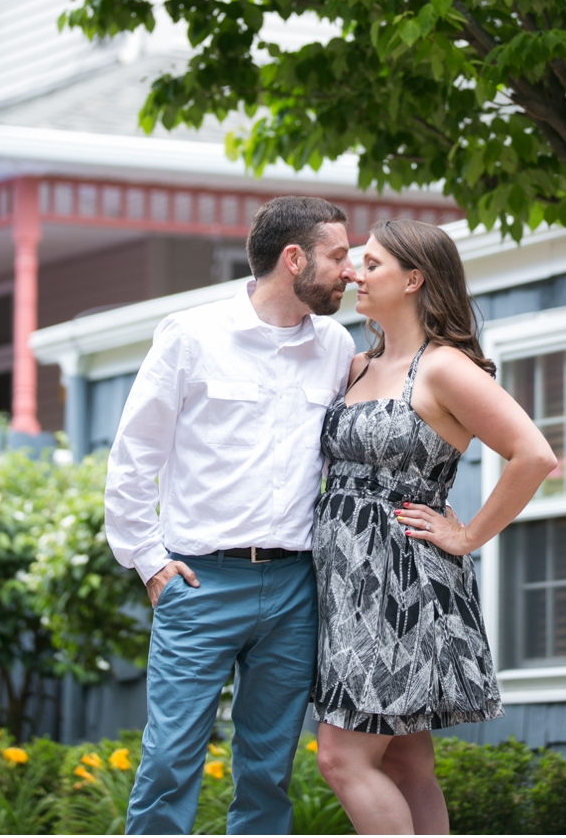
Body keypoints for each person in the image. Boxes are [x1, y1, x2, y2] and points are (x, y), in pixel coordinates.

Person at [105, 195, 357, 836]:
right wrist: (150, 562)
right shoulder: (191, 336)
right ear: (293, 259)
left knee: (269, 771)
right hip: (201, 582)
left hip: (295, 587)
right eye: (338, 256)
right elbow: (134, 456)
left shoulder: (334, 346)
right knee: (170, 760)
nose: (349, 271)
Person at [312, 218, 558, 836]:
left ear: (415, 278)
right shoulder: (358, 365)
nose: (354, 273)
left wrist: (469, 535)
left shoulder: (444, 368)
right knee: (404, 759)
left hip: (400, 585)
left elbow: (534, 455)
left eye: (371, 265)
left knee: (342, 758)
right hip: (345, 584)